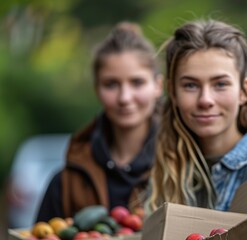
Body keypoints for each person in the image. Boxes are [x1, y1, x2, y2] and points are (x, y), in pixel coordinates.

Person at [147, 19, 247, 213]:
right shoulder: (169, 170)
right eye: (190, 85)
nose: (205, 100)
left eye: (220, 84)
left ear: (243, 91)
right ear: (172, 92)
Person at [36, 22, 163, 221]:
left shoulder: (182, 169)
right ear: (97, 89)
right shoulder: (67, 181)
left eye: (137, 82)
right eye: (111, 84)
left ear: (158, 86)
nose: (124, 97)